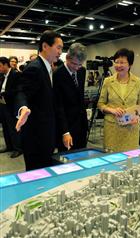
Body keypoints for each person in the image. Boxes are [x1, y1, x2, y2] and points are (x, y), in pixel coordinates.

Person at [15, 30, 63, 171]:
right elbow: (21, 91)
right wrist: (23, 108)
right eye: (58, 47)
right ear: (45, 46)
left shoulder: (47, 68)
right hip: (36, 138)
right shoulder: (35, 68)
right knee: (37, 175)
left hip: (45, 135)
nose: (60, 52)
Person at [97, 48, 140, 152]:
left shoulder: (138, 82)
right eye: (116, 62)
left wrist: (136, 116)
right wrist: (112, 110)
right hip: (112, 128)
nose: (118, 65)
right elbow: (100, 104)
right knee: (111, 159)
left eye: (122, 62)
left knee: (130, 160)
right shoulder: (108, 81)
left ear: (130, 65)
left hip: (131, 129)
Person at [53, 43, 88, 152]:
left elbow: (80, 98)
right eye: (74, 64)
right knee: (66, 161)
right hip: (67, 127)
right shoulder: (57, 74)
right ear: (67, 58)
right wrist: (65, 132)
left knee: (82, 157)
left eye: (80, 64)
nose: (77, 68)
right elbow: (58, 106)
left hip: (81, 125)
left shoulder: (82, 71)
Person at [0, 57, 22, 158]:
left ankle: (18, 148)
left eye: (0, 66)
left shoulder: (15, 74)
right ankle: (9, 146)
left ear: (5, 64)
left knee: (14, 128)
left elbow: (18, 90)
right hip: (3, 105)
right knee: (5, 127)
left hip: (12, 106)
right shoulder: (2, 75)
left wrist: (4, 94)